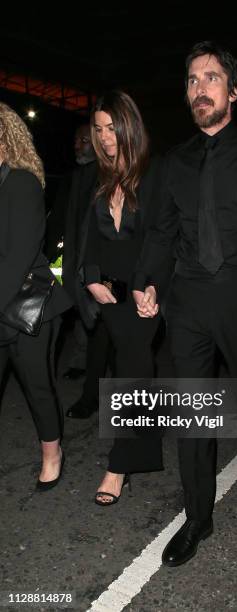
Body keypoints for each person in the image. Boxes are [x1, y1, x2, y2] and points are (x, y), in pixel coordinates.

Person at [133, 41, 237, 566]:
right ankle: (198, 518)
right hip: (189, 303)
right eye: (192, 80)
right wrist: (148, 282)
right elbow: (159, 234)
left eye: (211, 78)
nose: (199, 88)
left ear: (234, 91)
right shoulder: (172, 163)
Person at [79, 90, 168, 505]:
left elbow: (162, 238)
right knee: (130, 374)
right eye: (98, 129)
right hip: (110, 295)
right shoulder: (97, 176)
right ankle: (139, 450)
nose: (105, 137)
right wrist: (91, 278)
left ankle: (118, 465)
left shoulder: (154, 174)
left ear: (129, 126)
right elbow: (88, 239)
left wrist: (150, 285)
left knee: (133, 372)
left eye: (112, 128)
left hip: (143, 292)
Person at [0, 102, 72, 490]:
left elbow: (18, 257)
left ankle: (52, 453)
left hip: (28, 307)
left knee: (36, 385)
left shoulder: (22, 183)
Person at [46, 123, 96, 382]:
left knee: (87, 311)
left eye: (84, 140)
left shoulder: (104, 177)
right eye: (76, 140)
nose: (78, 145)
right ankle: (46, 363)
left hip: (88, 258)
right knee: (56, 309)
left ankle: (83, 363)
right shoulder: (70, 178)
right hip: (60, 256)